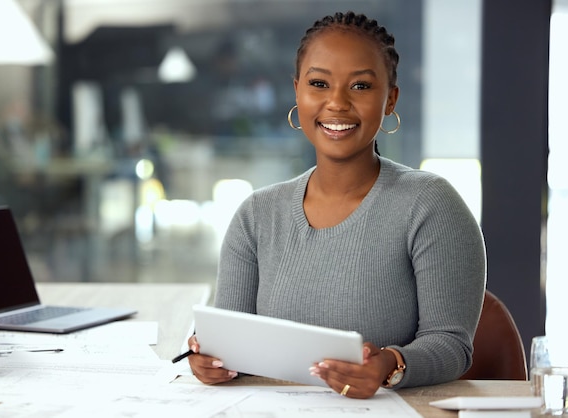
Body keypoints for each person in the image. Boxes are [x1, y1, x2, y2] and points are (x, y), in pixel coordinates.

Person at [187, 11, 486, 399]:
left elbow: (451, 345)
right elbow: (231, 343)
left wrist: (390, 366)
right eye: (318, 83)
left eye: (360, 85)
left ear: (390, 99)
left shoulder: (430, 205)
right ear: (298, 92)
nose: (337, 103)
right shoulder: (256, 216)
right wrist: (210, 360)